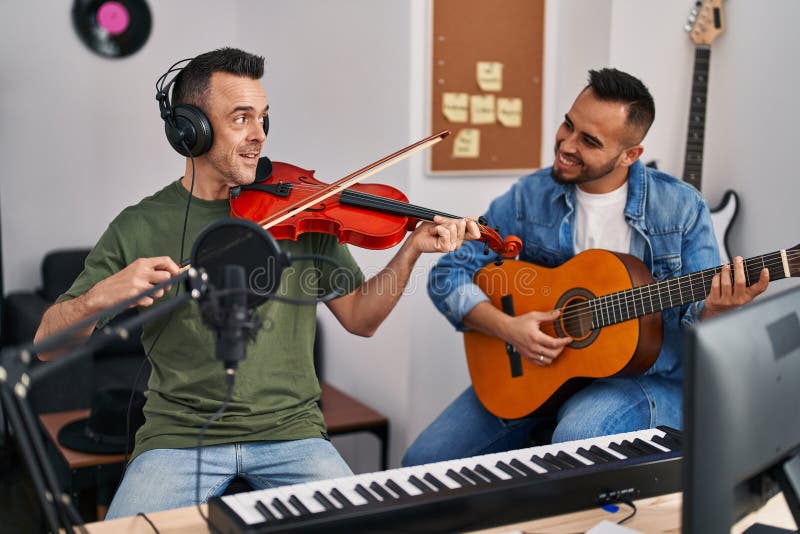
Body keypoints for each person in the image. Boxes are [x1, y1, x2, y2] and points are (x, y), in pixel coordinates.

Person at [33, 47, 479, 518]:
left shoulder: (306, 212)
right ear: (192, 129)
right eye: (241, 119)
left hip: (293, 433)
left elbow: (361, 320)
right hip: (179, 439)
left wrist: (409, 252)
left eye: (264, 118)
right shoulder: (138, 225)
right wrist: (103, 296)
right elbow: (46, 345)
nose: (259, 135)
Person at [402, 68, 769, 466]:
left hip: (648, 380)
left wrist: (715, 311)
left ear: (630, 154)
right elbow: (448, 274)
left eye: (589, 141)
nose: (566, 144)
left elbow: (698, 325)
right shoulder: (531, 196)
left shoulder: (681, 208)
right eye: (568, 125)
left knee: (577, 436)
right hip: (536, 370)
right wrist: (507, 327)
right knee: (422, 460)